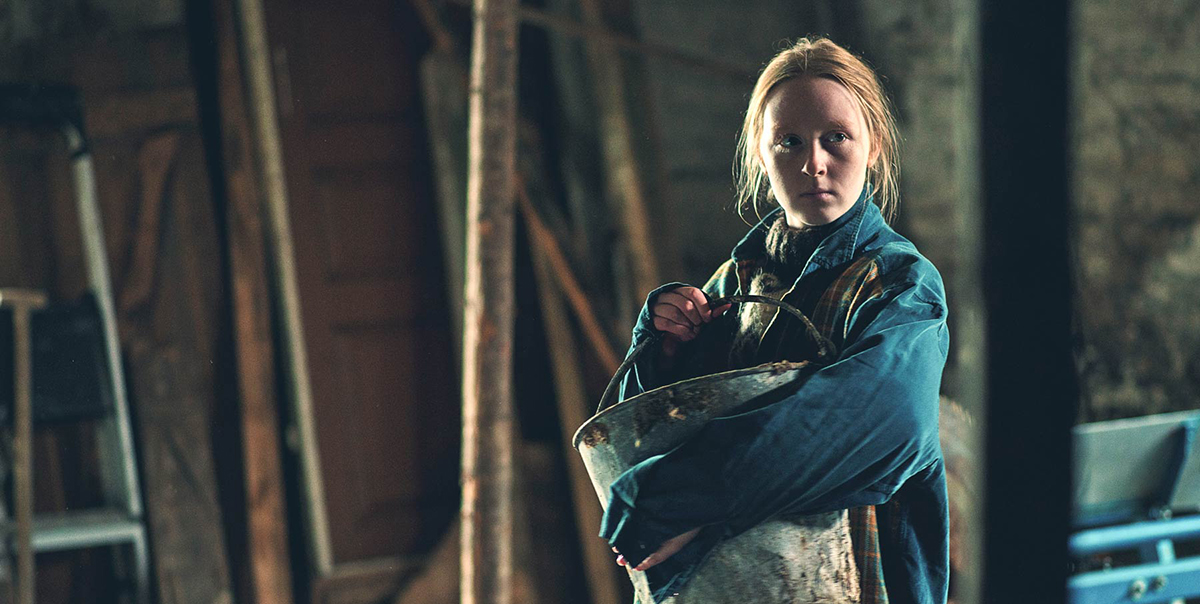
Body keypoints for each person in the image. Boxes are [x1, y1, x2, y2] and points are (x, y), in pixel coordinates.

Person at [601, 37, 950, 604]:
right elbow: (659, 427)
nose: (814, 162)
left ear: (874, 147)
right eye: (788, 142)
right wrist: (663, 351)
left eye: (836, 137)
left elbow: (883, 422)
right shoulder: (733, 287)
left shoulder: (898, 284)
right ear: (762, 161)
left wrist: (680, 501)